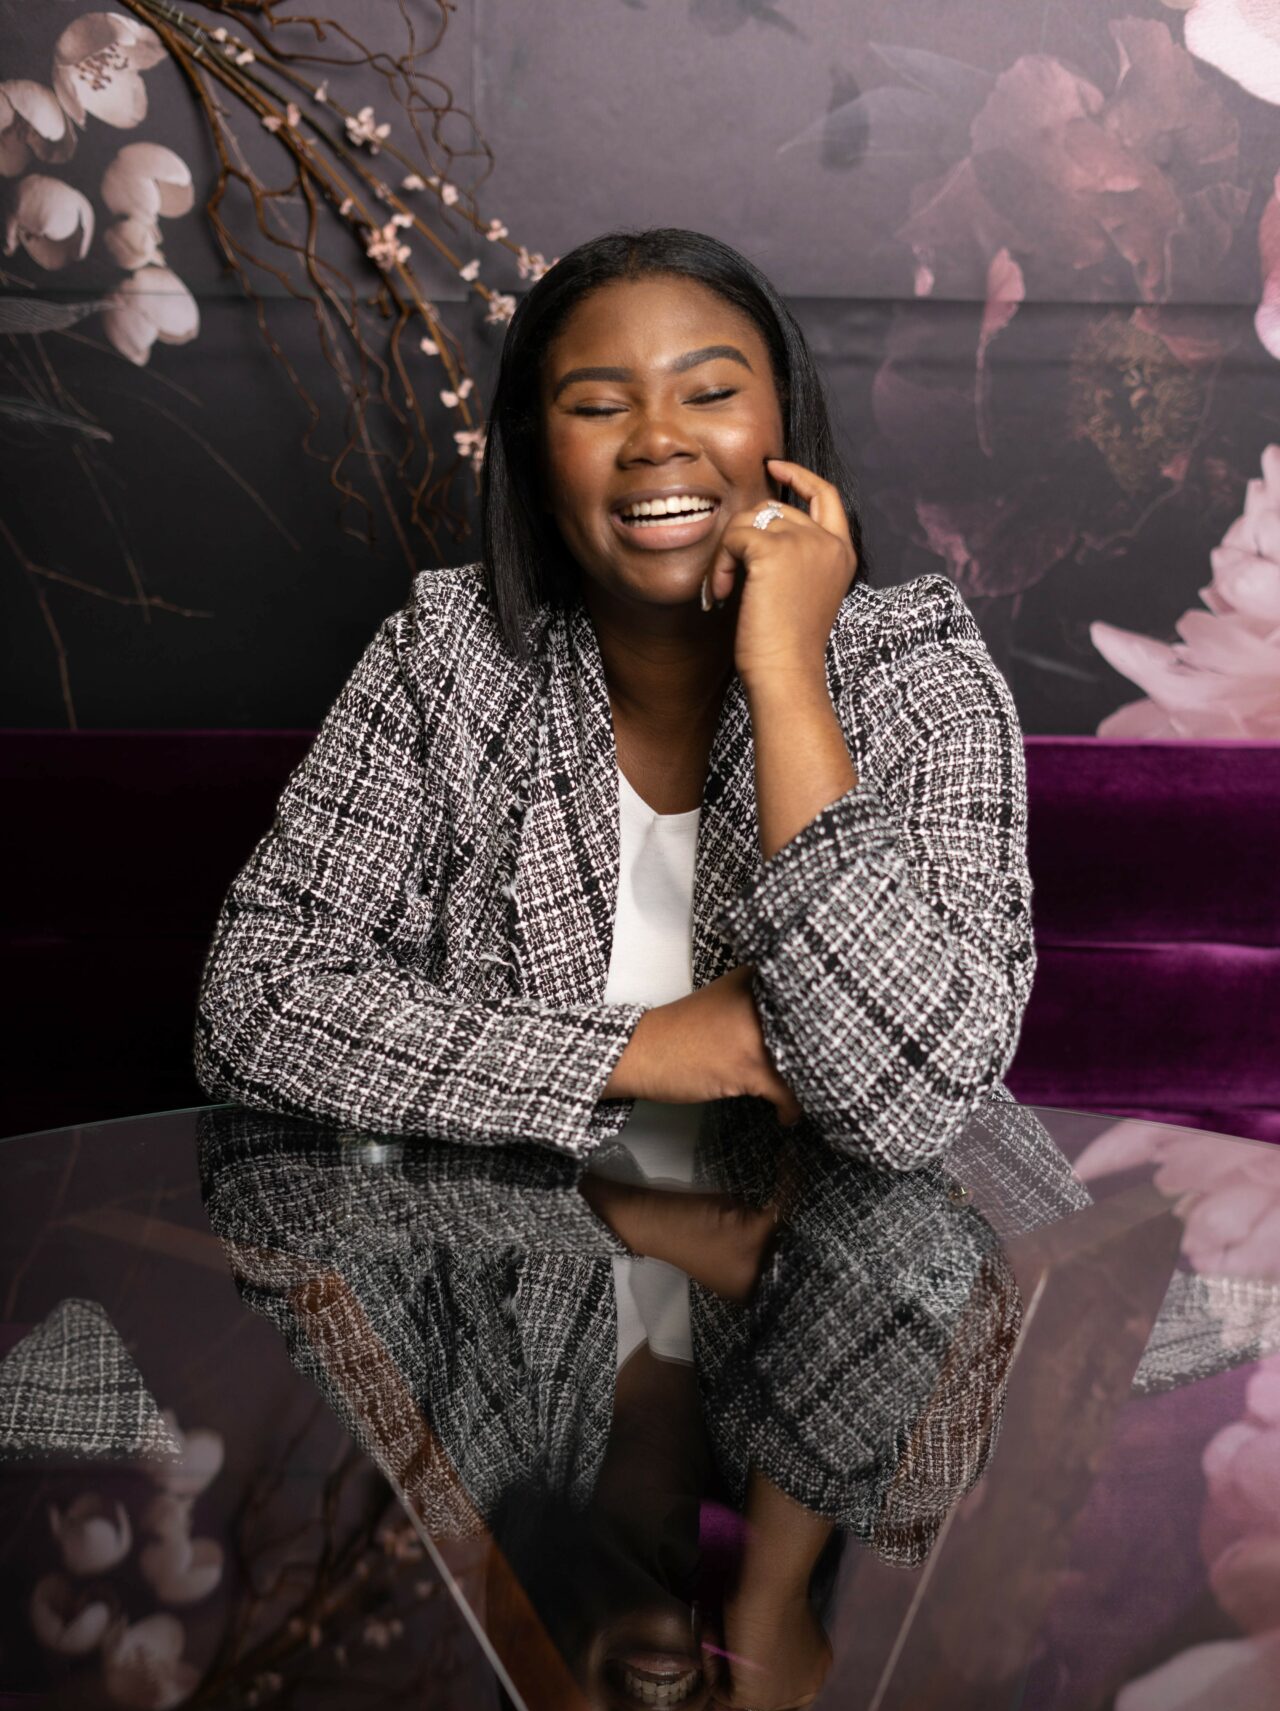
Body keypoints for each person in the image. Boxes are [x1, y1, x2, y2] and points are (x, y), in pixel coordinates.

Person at [194, 227, 1035, 1170]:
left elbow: (911, 1106)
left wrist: (789, 674)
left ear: (784, 423)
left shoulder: (918, 668)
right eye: (598, 407)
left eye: (710, 395)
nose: (659, 440)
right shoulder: (446, 655)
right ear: (537, 456)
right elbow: (254, 1005)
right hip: (514, 1250)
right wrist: (652, 1049)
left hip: (850, 1255)